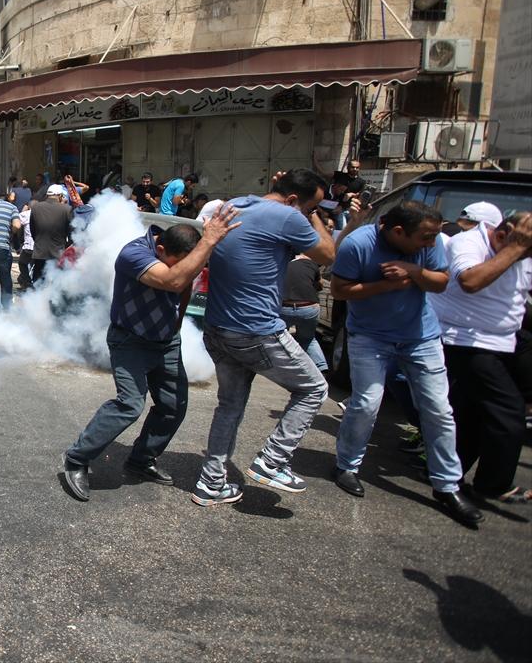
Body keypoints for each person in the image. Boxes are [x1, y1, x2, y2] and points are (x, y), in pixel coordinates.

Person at [62, 210, 241, 500]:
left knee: (173, 405)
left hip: (165, 340)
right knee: (130, 404)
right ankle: (76, 458)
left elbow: (183, 283)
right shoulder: (134, 254)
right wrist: (208, 241)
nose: (185, 269)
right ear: (160, 250)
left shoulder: (177, 255)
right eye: (179, 262)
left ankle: (142, 458)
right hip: (130, 340)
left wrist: (177, 325)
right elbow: (173, 281)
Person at [330, 201, 483, 527]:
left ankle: (447, 485)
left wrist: (414, 272)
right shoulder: (358, 245)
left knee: (439, 410)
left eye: (433, 238)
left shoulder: (431, 242)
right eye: (424, 239)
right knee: (367, 404)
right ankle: (347, 465)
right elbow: (340, 291)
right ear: (398, 231)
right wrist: (386, 285)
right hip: (369, 337)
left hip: (420, 337)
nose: (431, 244)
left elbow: (441, 281)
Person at [192, 169, 335, 506]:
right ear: (295, 201)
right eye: (309, 207)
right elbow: (328, 255)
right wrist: (311, 215)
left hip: (218, 328)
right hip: (256, 330)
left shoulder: (236, 203)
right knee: (314, 388)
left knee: (230, 405)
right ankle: (273, 460)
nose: (308, 214)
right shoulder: (287, 215)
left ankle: (211, 482)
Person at [431, 212, 532, 505]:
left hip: (506, 341)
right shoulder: (469, 242)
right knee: (509, 412)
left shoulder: (520, 254)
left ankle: (449, 473)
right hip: (464, 339)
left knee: (473, 412)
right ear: (504, 235)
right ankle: (492, 483)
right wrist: (515, 248)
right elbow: (471, 281)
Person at [280, 253, 328, 374]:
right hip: (309, 307)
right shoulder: (313, 266)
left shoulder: (283, 264)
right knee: (308, 339)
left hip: (286, 306)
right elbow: (320, 285)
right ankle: (321, 366)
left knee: (278, 336)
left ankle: (281, 365)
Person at [29, 184, 74, 284]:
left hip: (39, 252)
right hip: (58, 252)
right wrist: (67, 245)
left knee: (38, 283)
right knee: (56, 284)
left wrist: (38, 241)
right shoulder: (66, 209)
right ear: (60, 196)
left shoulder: (36, 207)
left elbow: (32, 229)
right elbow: (71, 232)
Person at [17, 202, 34, 289]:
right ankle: (24, 280)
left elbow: (17, 225)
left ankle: (27, 283)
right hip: (40, 246)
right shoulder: (45, 214)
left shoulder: (26, 214)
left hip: (29, 245)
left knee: (22, 263)